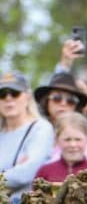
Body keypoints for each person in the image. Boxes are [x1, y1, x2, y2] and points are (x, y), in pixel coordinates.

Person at [0, 71, 55, 204]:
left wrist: (13, 172)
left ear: (28, 97)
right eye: (2, 94)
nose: (8, 98)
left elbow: (24, 174)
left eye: (15, 93)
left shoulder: (40, 128)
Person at [33, 112, 87, 190]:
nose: (73, 145)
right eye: (67, 139)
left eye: (78, 139)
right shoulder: (45, 172)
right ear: (57, 140)